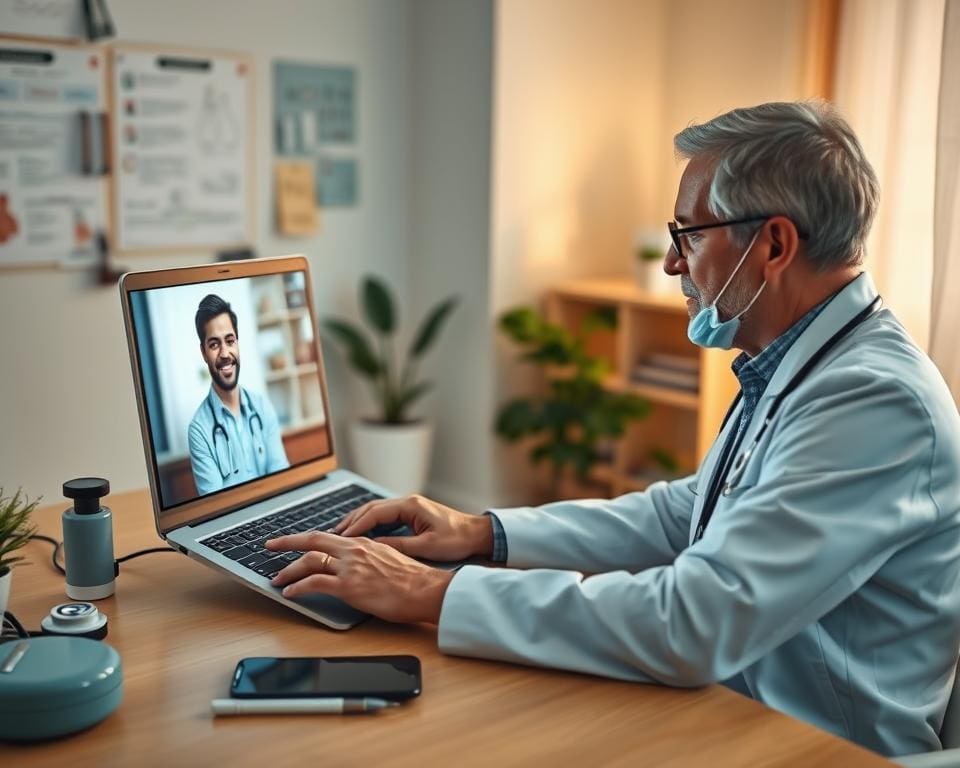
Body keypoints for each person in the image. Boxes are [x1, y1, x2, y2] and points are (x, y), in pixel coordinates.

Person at [265, 102, 960, 757]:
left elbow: (693, 622)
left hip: (812, 748)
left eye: (688, 235)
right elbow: (685, 516)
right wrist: (481, 533)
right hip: (734, 709)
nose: (671, 264)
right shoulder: (797, 362)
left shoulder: (875, 402)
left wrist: (427, 591)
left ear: (774, 243)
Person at [188, 294, 289, 495]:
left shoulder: (262, 406)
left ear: (238, 343)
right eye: (214, 344)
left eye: (230, 340)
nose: (225, 353)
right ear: (203, 353)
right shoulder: (199, 430)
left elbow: (282, 480)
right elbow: (214, 508)